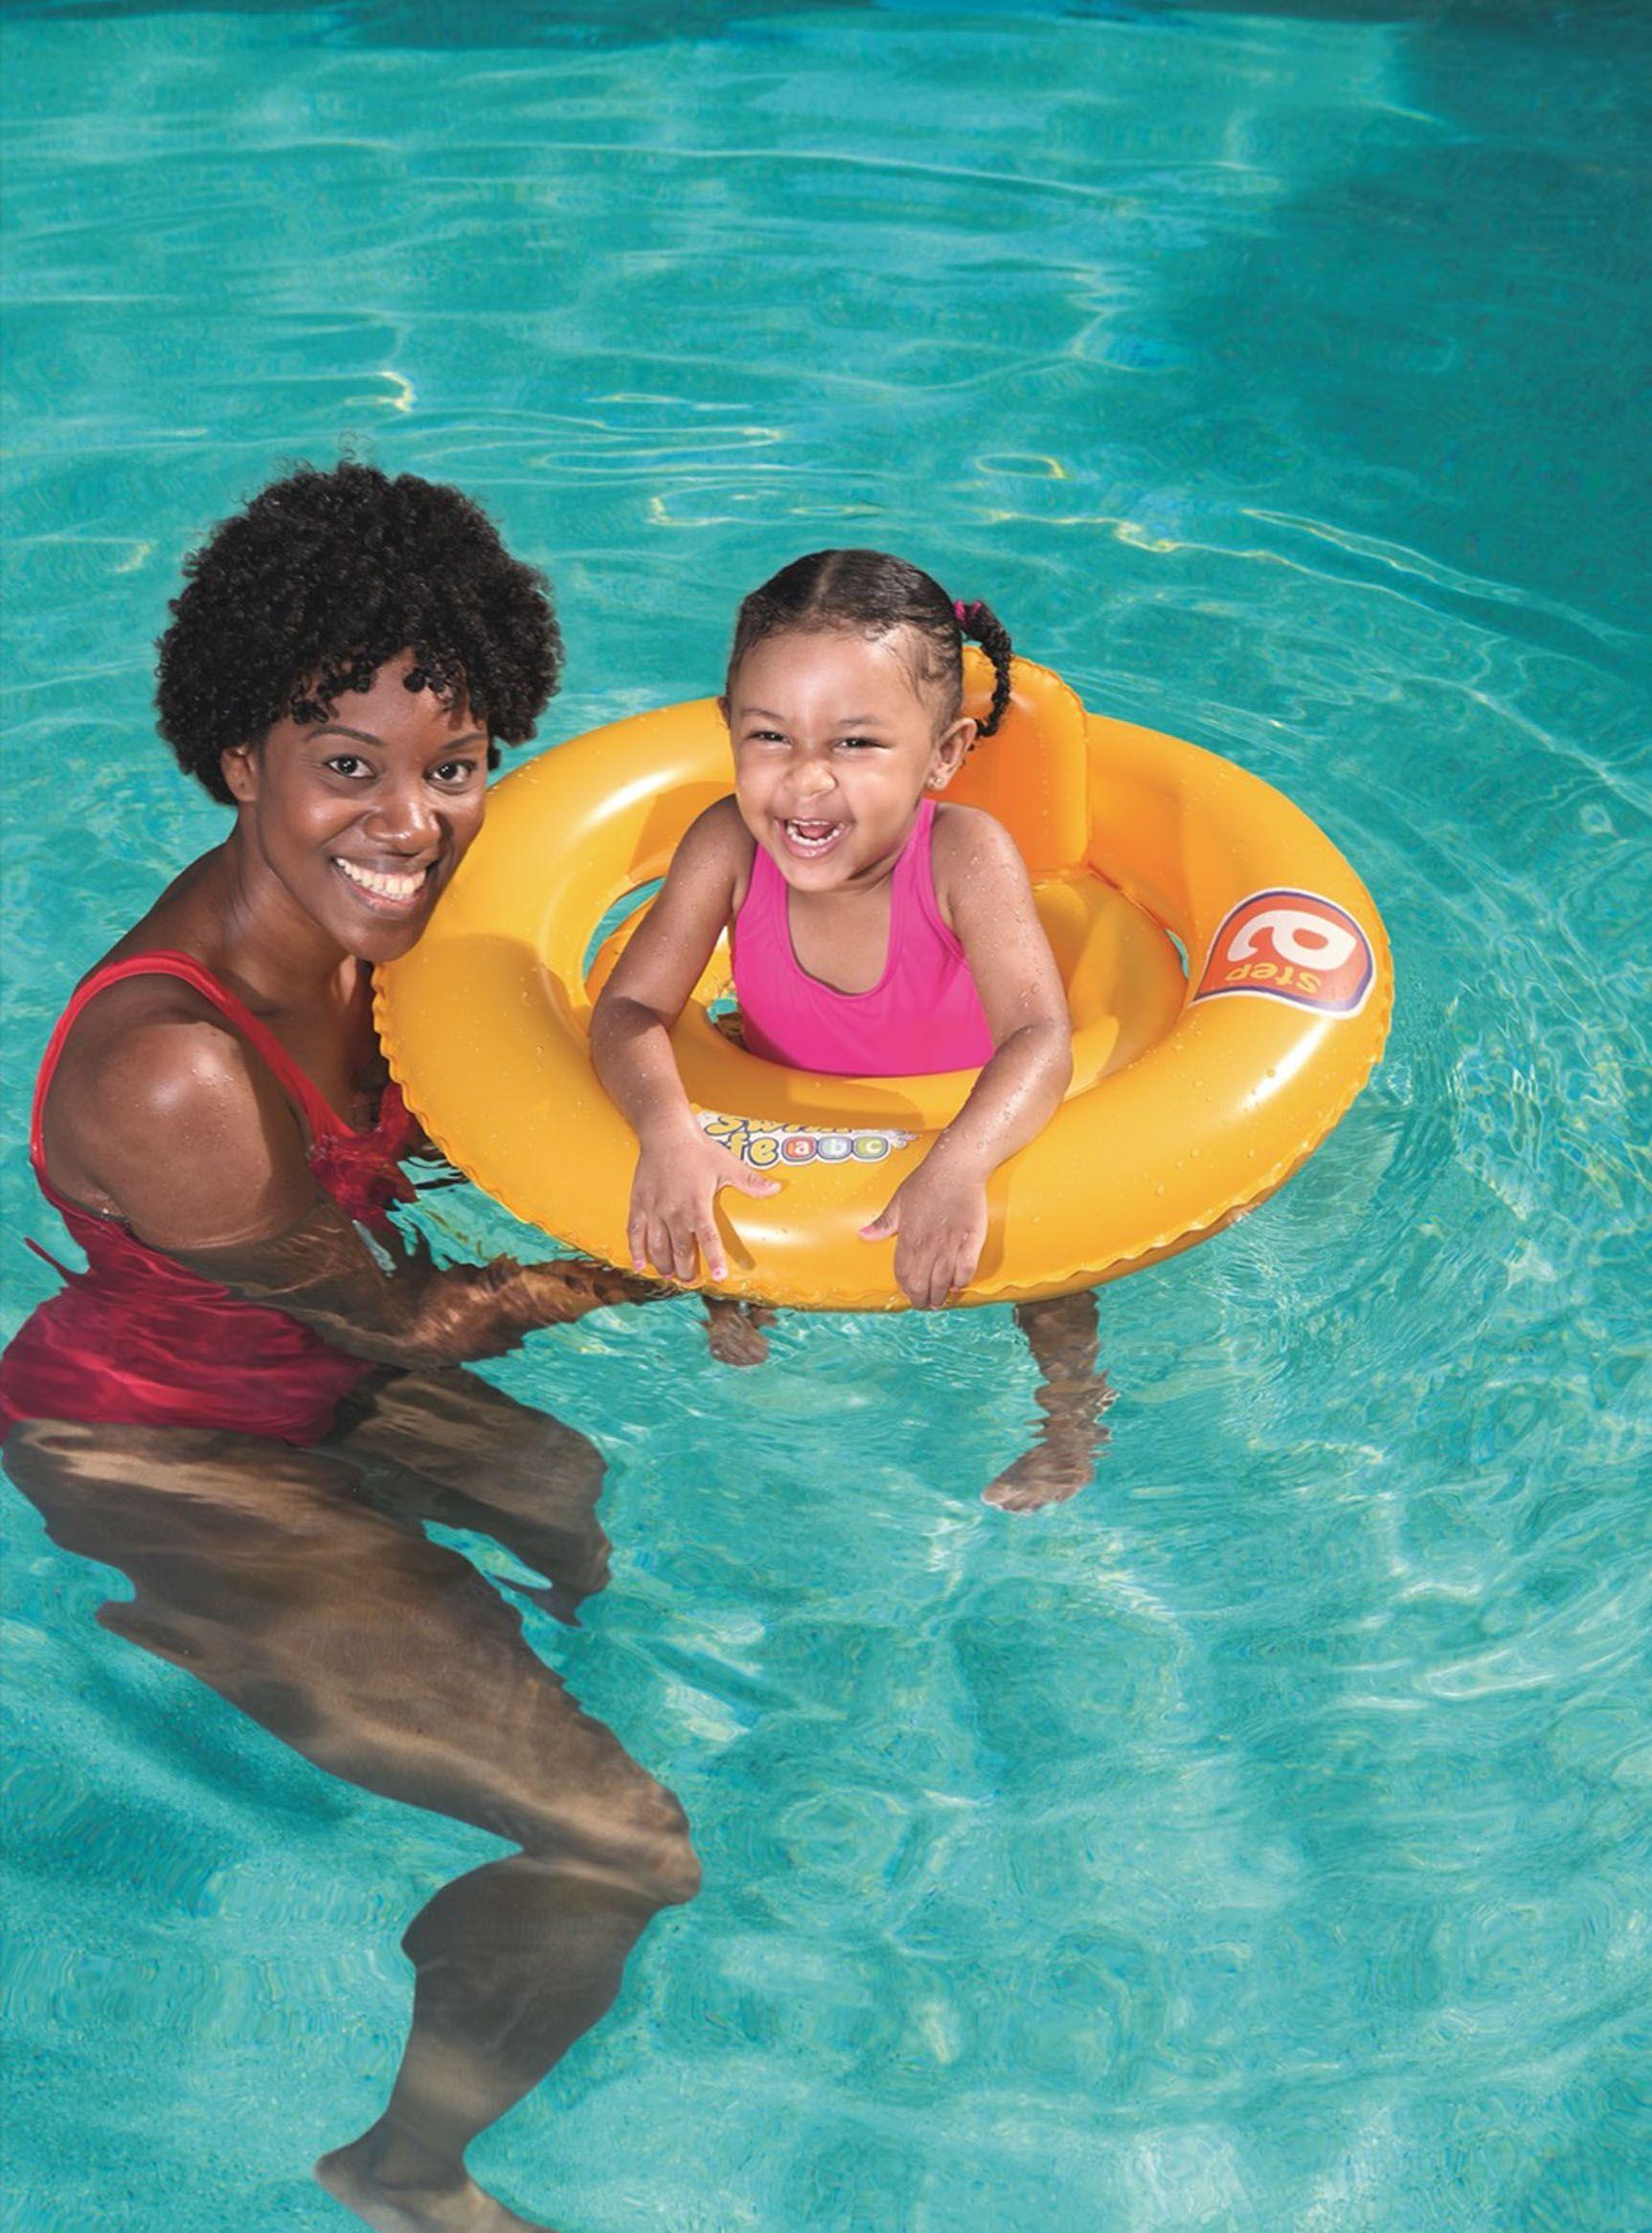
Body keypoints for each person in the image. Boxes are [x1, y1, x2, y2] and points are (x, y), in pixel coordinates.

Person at [1, 461, 696, 2233]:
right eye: (348, 766)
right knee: (626, 1839)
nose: (412, 822)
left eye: (452, 766)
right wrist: (674, 1255)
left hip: (307, 1378)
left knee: (562, 1496)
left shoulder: (373, 931)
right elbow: (413, 1315)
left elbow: (471, 1142)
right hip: (165, 1449)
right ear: (240, 758)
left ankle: (456, 1722)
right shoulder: (180, 1070)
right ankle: (405, 2171)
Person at [590, 548, 1114, 1513]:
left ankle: (1071, 1418)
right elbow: (627, 1012)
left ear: (944, 754)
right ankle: (741, 1301)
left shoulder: (964, 856)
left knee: (1049, 1273)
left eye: (857, 743)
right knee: (707, 1200)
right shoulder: (725, 843)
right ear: (728, 728)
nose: (805, 782)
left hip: (954, 1119)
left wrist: (960, 1162)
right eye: (769, 736)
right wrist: (668, 1128)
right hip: (787, 1117)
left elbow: (1039, 1038)